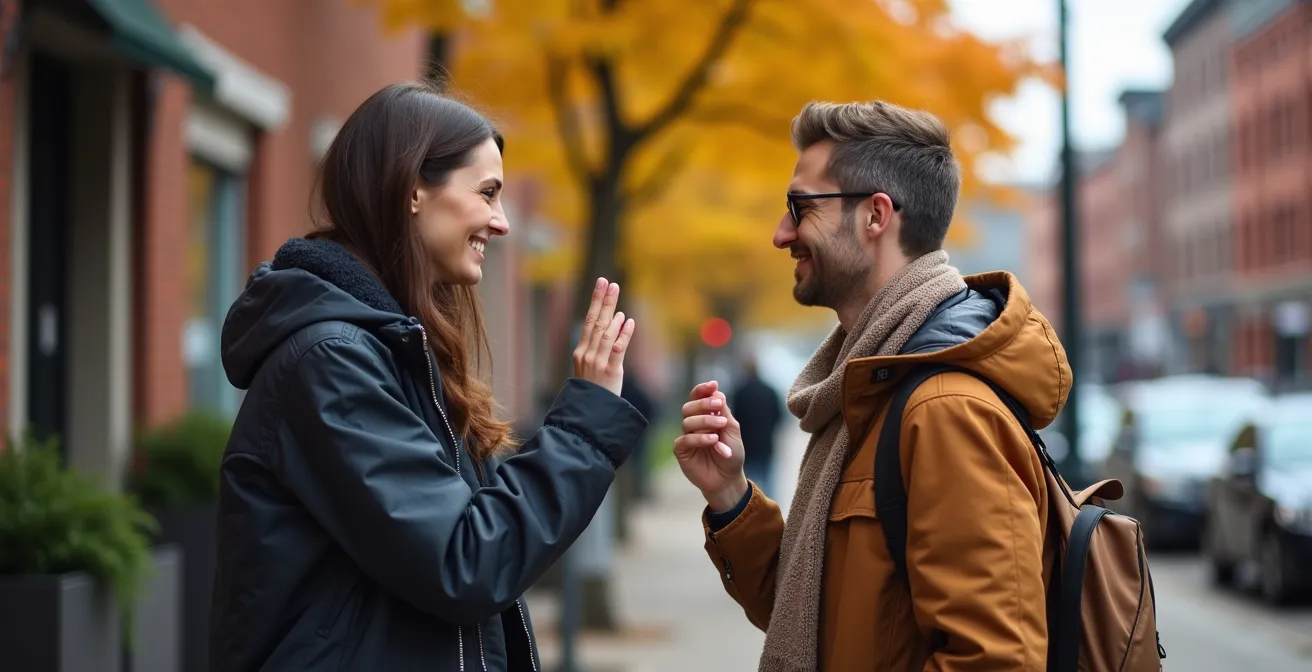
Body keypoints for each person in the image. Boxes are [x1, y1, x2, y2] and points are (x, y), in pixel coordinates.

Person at [210, 82, 648, 672]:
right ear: (414, 189)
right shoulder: (332, 363)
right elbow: (467, 561)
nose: (502, 223)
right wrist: (585, 425)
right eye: (487, 193)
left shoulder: (391, 351)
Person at [674, 100, 1071, 671]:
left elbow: (995, 662)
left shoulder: (944, 410)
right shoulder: (867, 390)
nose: (781, 233)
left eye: (799, 207)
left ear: (875, 216)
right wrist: (731, 496)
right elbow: (815, 614)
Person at [727, 355, 783, 497]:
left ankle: (752, 510)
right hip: (766, 442)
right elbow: (779, 416)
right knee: (769, 481)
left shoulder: (740, 392)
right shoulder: (770, 391)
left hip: (747, 444)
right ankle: (770, 511)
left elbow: (734, 417)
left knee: (749, 482)